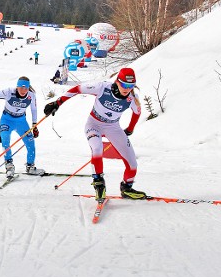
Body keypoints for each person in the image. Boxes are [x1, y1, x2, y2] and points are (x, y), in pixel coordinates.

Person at [43, 67, 145, 200]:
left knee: (132, 163)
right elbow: (77, 89)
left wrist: (130, 128)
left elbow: (137, 112)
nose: (127, 89)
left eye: (131, 86)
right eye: (124, 84)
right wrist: (58, 102)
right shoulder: (102, 87)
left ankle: (127, 188)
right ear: (118, 82)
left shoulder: (132, 98)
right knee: (97, 148)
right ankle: (99, 184)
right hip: (94, 125)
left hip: (113, 127)